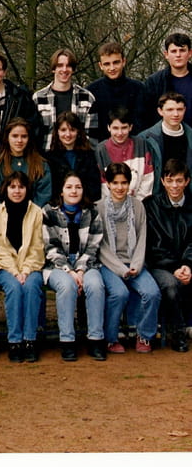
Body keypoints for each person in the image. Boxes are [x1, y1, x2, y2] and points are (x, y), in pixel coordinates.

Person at [42, 172, 106, 361]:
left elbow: (93, 246)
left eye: (78, 187)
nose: (74, 191)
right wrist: (69, 271)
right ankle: (67, 340)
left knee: (95, 285)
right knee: (67, 286)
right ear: (61, 191)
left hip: (87, 264)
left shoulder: (92, 212)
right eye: (69, 187)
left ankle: (96, 339)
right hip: (56, 266)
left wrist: (80, 270)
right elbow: (50, 247)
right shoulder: (48, 212)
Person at [97, 163, 160, 354]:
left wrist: (136, 266)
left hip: (134, 262)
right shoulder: (99, 208)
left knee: (152, 292)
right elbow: (101, 246)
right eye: (115, 183)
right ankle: (111, 338)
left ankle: (144, 335)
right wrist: (121, 269)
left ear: (129, 184)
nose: (120, 187)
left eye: (124, 183)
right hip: (109, 264)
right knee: (119, 294)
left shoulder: (138, 206)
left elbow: (142, 238)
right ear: (108, 184)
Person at [0, 171, 45, 363]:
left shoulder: (36, 212)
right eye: (12, 187)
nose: (17, 191)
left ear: (27, 189)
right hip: (5, 267)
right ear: (6, 189)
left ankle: (29, 340)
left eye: (21, 187)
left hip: (31, 266)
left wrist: (26, 270)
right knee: (13, 288)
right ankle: (14, 341)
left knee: (31, 287)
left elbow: (37, 247)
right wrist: (14, 271)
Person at [143, 159, 192, 352]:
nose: (174, 186)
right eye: (170, 180)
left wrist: (188, 265)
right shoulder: (151, 206)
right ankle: (178, 334)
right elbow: (152, 247)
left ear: (187, 181)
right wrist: (175, 268)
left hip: (187, 265)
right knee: (171, 285)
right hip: (161, 266)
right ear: (163, 181)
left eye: (179, 181)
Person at [32, 48, 98, 149]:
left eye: (68, 66)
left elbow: (92, 137)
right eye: (60, 65)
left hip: (77, 156)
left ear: (73, 69)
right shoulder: (38, 98)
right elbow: (33, 135)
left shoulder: (87, 98)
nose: (64, 69)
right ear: (53, 69)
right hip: (46, 155)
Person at [0, 118, 51, 207]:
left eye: (24, 136)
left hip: (33, 213)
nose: (19, 140)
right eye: (15, 136)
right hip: (3, 213)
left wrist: (31, 212)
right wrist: (5, 211)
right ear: (7, 137)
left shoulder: (41, 164)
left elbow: (44, 194)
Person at [86, 42, 144, 139]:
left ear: (123, 61)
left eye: (116, 62)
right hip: (102, 146)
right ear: (100, 66)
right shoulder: (91, 92)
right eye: (107, 64)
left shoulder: (139, 88)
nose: (112, 68)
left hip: (134, 144)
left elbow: (143, 123)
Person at [138, 92, 192, 195]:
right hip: (156, 197)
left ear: (185, 110)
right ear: (160, 111)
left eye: (179, 109)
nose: (175, 114)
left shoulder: (190, 136)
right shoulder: (145, 139)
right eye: (170, 110)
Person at [95, 107, 154, 200]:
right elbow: (103, 185)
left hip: (140, 202)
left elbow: (147, 178)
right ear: (108, 127)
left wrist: (138, 204)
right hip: (112, 204)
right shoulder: (101, 150)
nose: (120, 133)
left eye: (124, 128)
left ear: (130, 127)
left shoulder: (141, 144)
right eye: (115, 128)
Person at [45, 111, 101, 203]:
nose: (68, 134)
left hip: (85, 205)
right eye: (63, 130)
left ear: (78, 131)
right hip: (58, 206)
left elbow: (94, 187)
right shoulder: (49, 158)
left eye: (72, 130)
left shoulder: (89, 156)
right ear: (57, 132)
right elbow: (50, 189)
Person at [144, 32, 192, 129]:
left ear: (190, 53)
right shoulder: (154, 82)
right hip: (165, 135)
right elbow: (147, 114)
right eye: (174, 51)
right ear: (166, 54)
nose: (178, 55)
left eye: (182, 50)